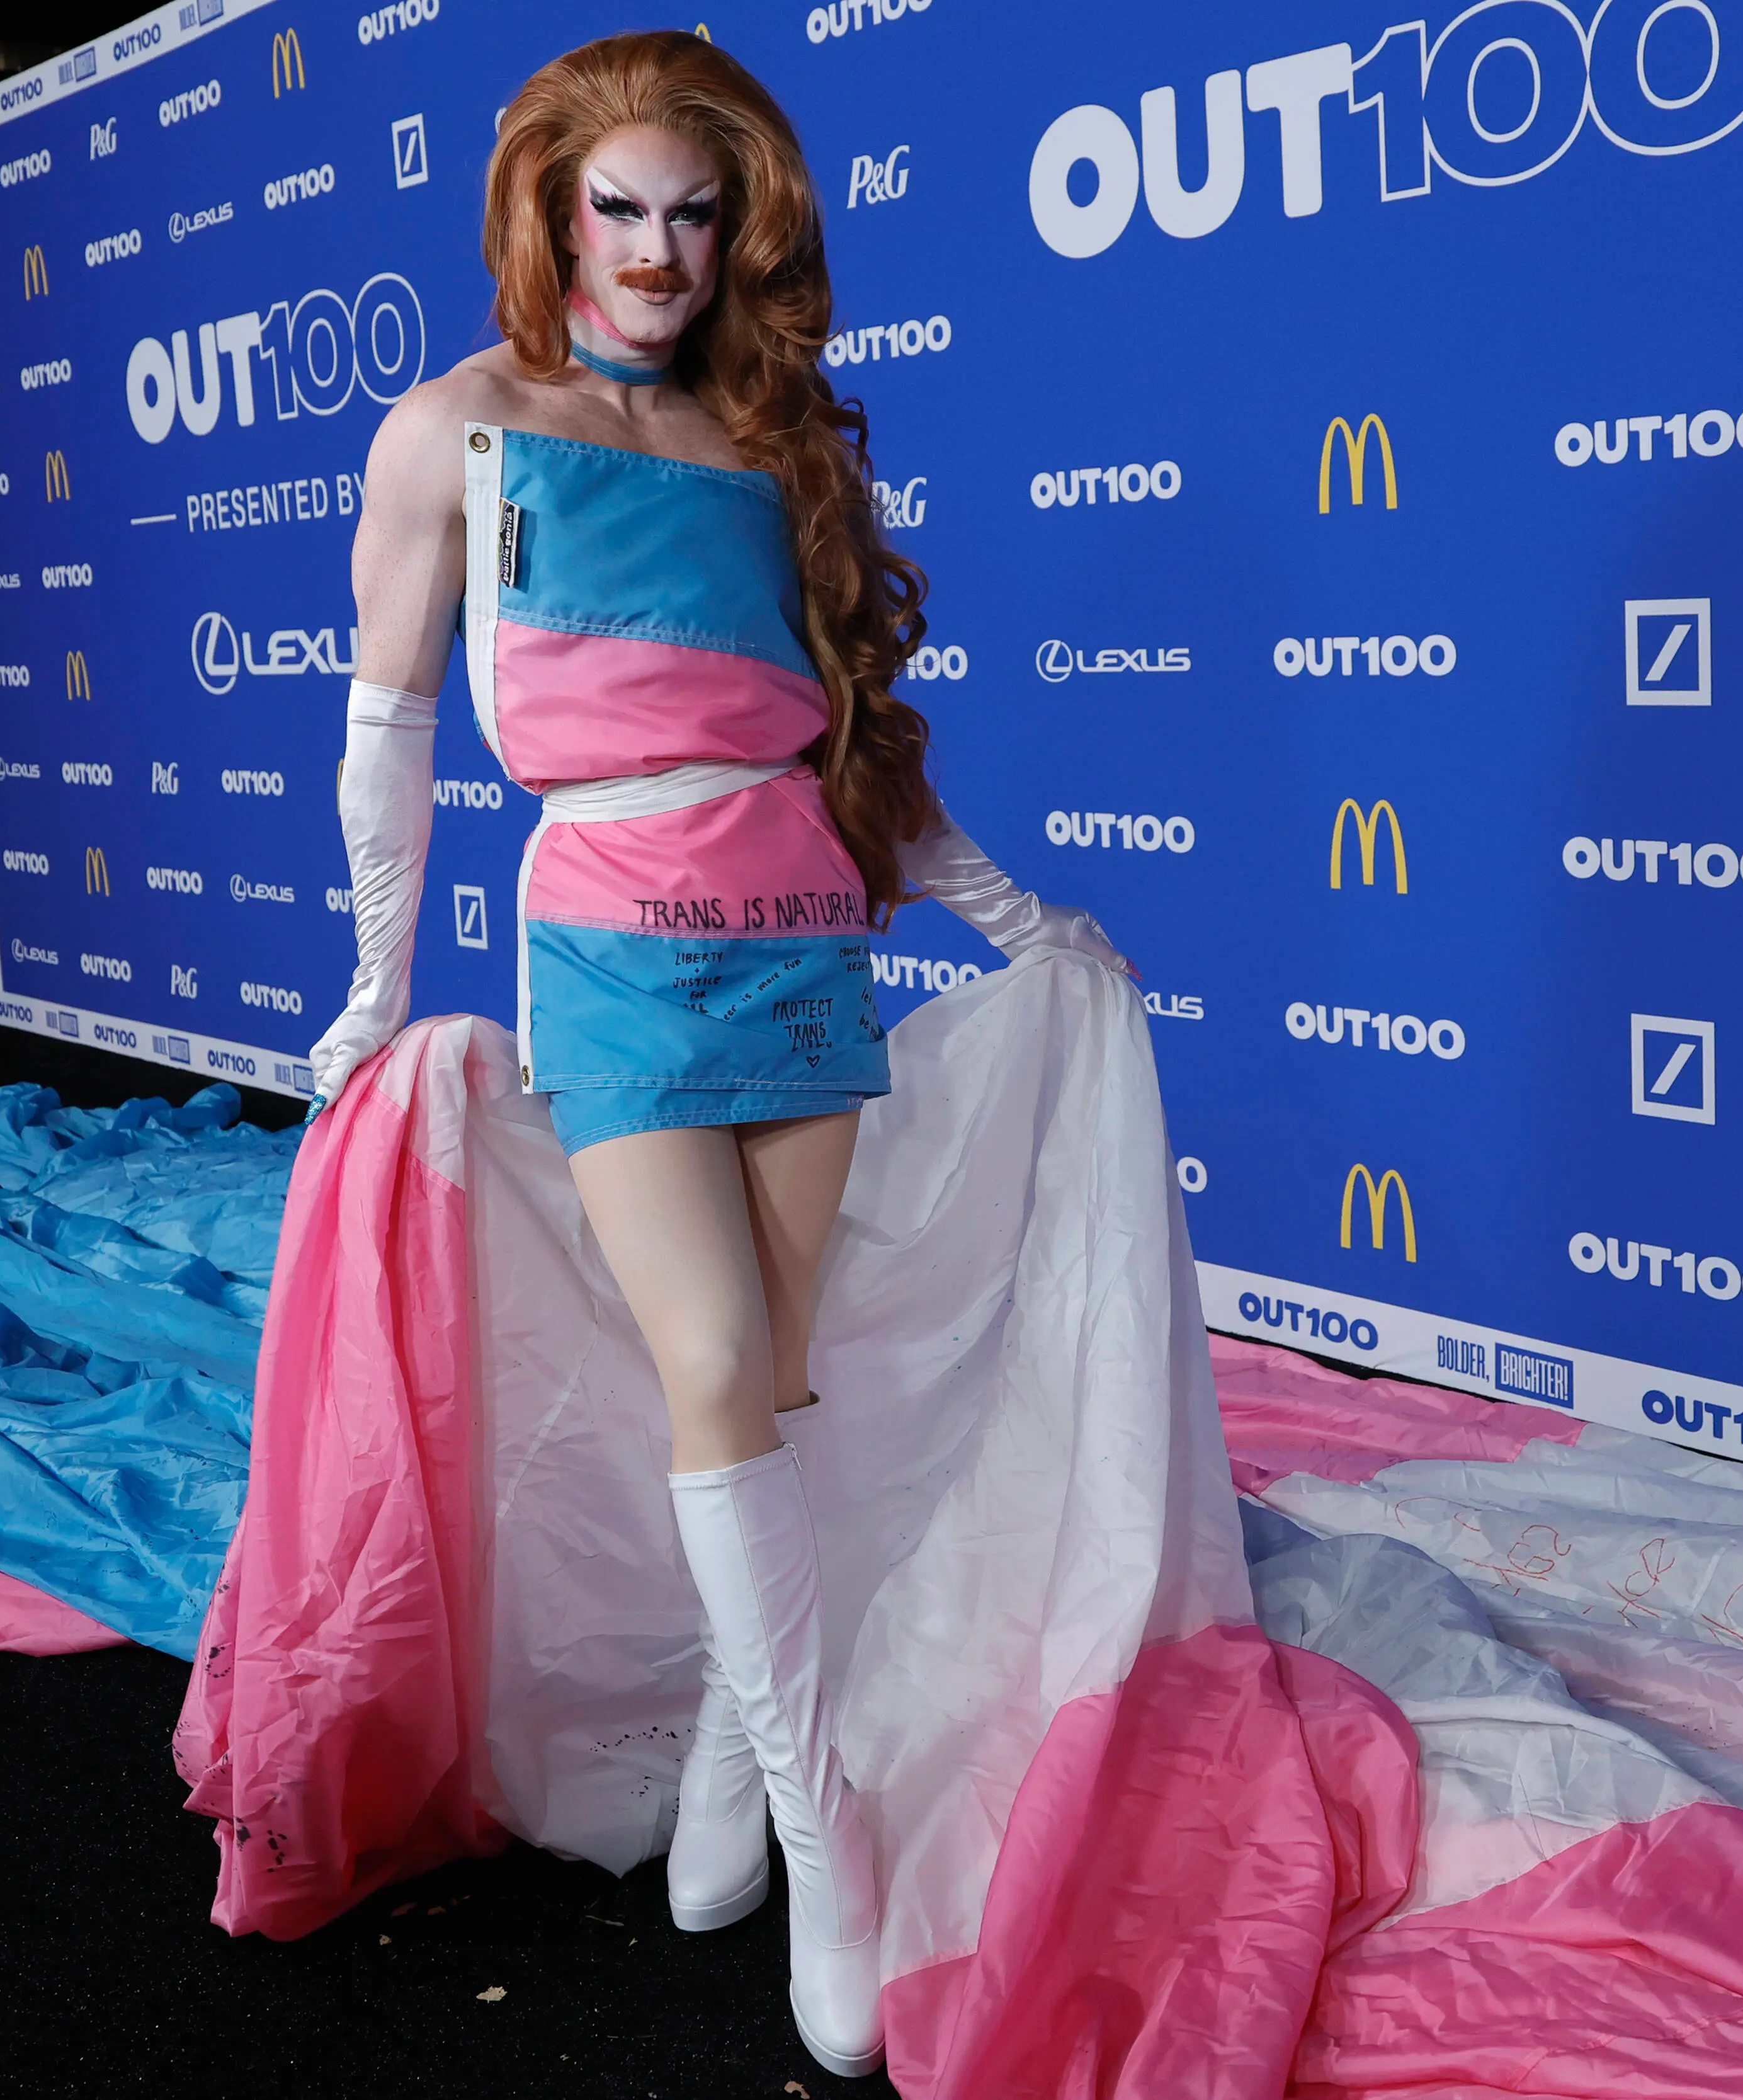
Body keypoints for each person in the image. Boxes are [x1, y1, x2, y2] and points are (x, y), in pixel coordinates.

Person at [300, 30, 1130, 2079]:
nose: (661, 249)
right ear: (550, 211)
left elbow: (856, 751)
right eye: (623, 208)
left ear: (736, 225)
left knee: (776, 1368)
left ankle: (728, 1770)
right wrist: (375, 987)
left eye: (697, 212)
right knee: (704, 1361)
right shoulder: (454, 436)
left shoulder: (778, 447)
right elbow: (385, 735)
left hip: (802, 948)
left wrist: (1022, 921)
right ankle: (827, 1824)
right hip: (607, 950)